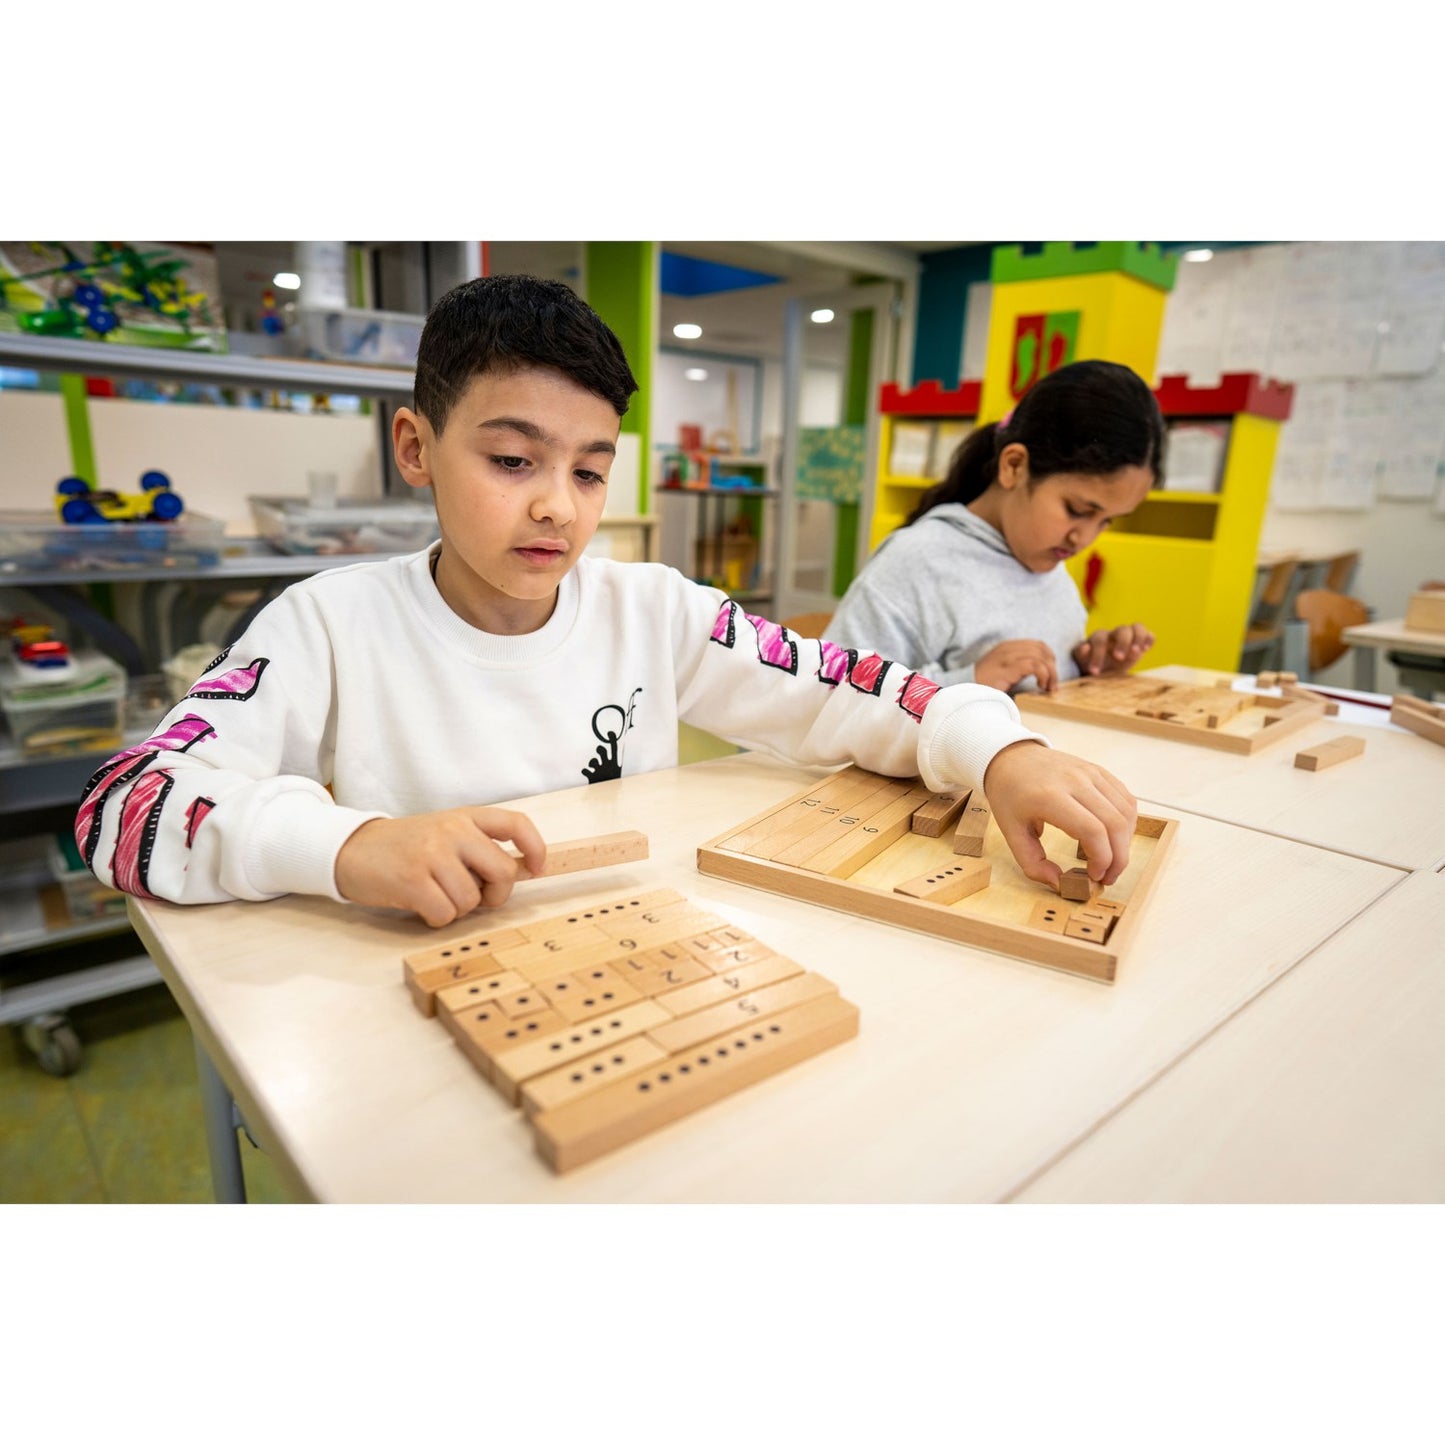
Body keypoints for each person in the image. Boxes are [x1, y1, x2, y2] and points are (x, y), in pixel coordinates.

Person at [76, 276, 1138, 929]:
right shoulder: (327, 623)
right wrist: (348, 848)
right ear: (415, 446)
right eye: (511, 459)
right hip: (423, 988)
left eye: (589, 470)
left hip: (635, 945)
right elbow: (121, 805)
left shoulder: (654, 609)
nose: (556, 504)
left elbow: (842, 685)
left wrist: (999, 750)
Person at [827, 359, 1165, 695]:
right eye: (1077, 510)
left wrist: (1089, 669)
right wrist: (967, 680)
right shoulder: (917, 561)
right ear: (1014, 466)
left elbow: (1040, 698)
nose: (1084, 538)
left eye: (1105, 521)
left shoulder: (1050, 565)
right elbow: (832, 694)